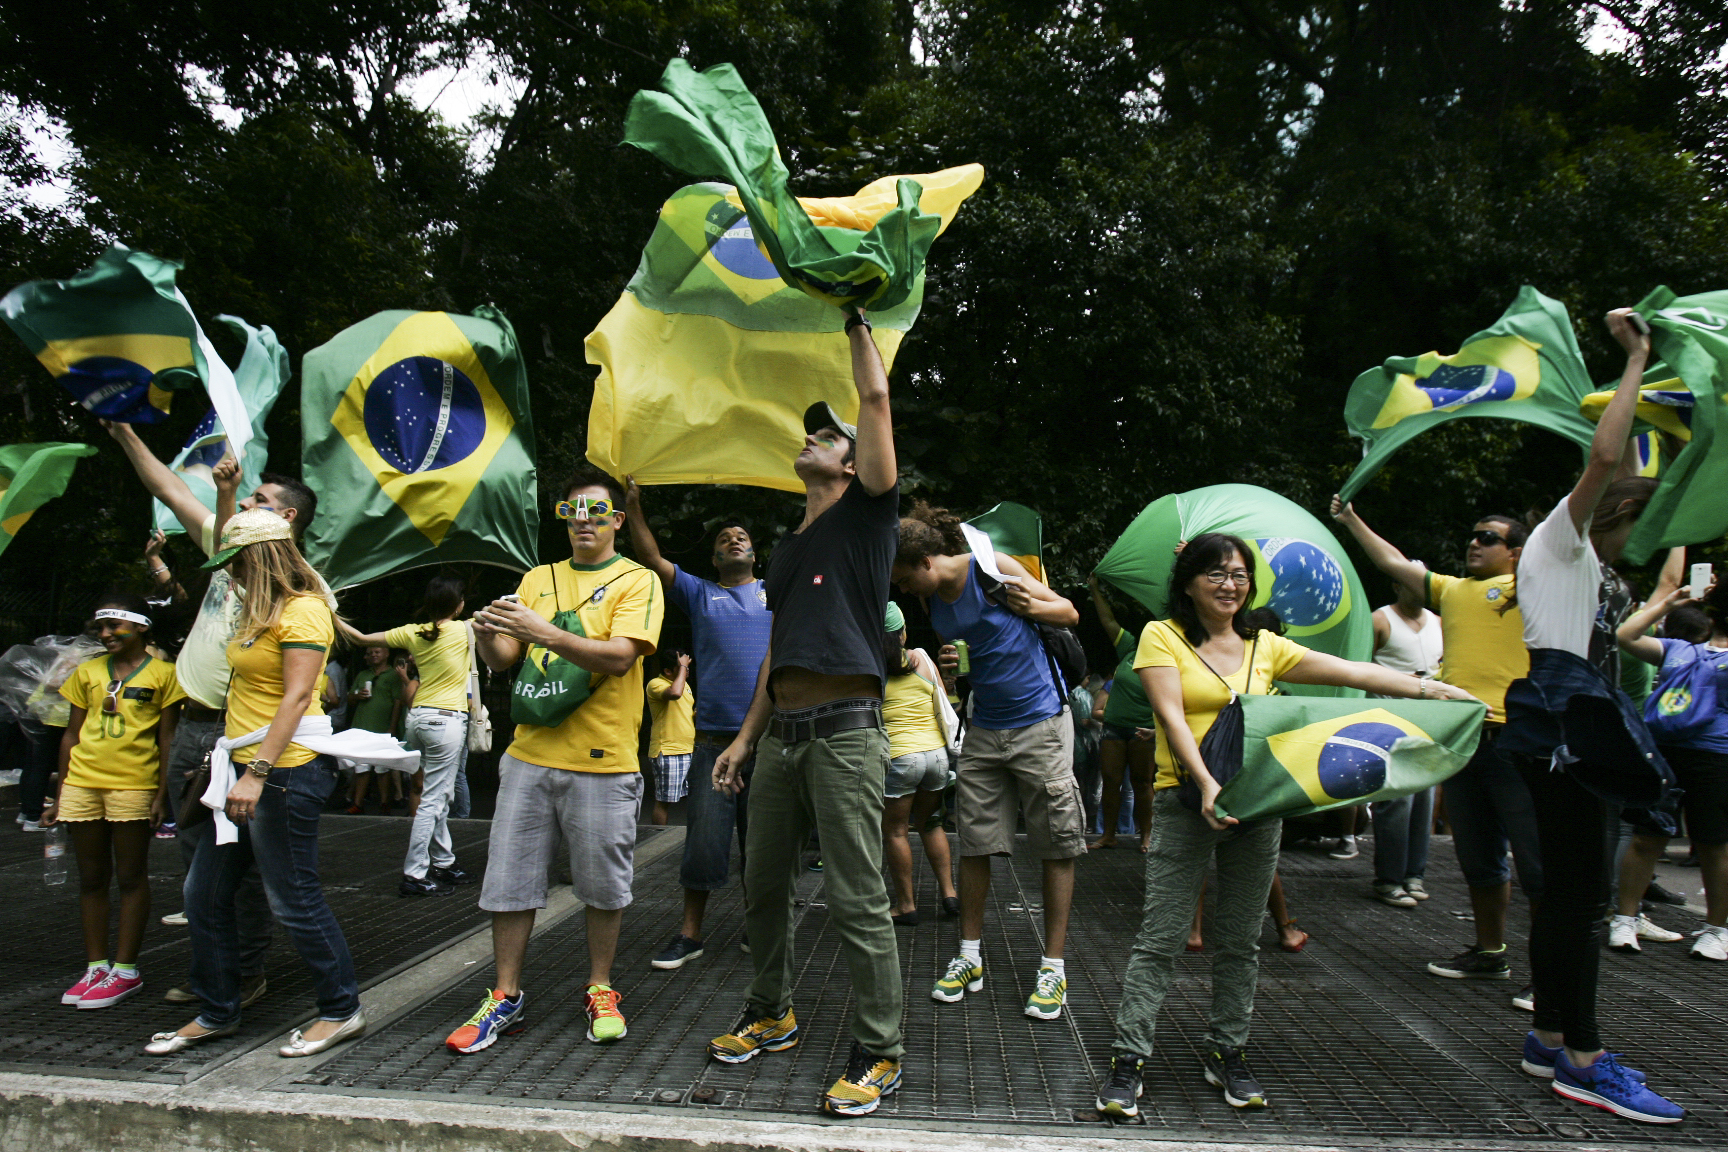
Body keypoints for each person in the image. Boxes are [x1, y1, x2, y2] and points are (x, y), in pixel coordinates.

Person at [1095, 532, 1477, 1118]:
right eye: (1217, 574)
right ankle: (1129, 1059)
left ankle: (1227, 1049)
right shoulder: (1161, 637)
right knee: (1161, 938)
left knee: (1241, 940)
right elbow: (1172, 718)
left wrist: (1431, 690)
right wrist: (1205, 786)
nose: (1230, 585)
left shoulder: (1265, 645)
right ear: (1189, 582)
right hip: (1185, 803)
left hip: (1256, 807)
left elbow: (1354, 674)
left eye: (1240, 575)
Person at [705, 309, 905, 1118]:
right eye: (815, 436)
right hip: (781, 740)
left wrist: (856, 321)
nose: (815, 441)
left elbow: (878, 401)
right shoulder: (786, 550)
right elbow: (775, 651)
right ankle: (772, 1012)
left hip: (848, 734)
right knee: (761, 888)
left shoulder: (868, 517)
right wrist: (746, 739)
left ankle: (881, 1051)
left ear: (854, 467)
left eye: (829, 438)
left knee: (858, 897)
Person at [1498, 306, 1684, 1123]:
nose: (1643, 537)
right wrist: (1637, 360)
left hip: (1572, 719)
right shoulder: (1559, 540)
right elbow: (1607, 455)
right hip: (1561, 718)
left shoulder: (1598, 569)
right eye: (1637, 519)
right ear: (1609, 511)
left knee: (1569, 898)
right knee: (1580, 901)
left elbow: (1667, 527)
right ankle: (1583, 1055)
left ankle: (1547, 1036)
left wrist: (1683, 438)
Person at [447, 470, 663, 1054]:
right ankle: (505, 994)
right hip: (528, 756)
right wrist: (489, 632)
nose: (584, 520)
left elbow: (619, 658)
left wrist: (540, 629)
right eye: (573, 511)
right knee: (509, 882)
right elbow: (505, 659)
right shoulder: (538, 577)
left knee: (604, 888)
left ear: (618, 520)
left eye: (597, 510)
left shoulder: (638, 581)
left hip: (604, 761)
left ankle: (600, 987)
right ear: (564, 520)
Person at [148, 508, 370, 1058]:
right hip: (247, 769)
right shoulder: (257, 610)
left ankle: (342, 1010)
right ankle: (217, 1011)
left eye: (236, 562)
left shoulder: (304, 611)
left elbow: (296, 697)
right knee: (203, 894)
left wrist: (257, 772)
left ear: (260, 557)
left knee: (293, 898)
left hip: (284, 772)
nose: (230, 573)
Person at [105, 426, 297, 1002]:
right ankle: (213, 972)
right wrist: (123, 432)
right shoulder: (227, 560)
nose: (245, 501)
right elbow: (167, 487)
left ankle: (242, 973)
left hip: (237, 734)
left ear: (286, 520)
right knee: (198, 866)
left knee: (239, 866)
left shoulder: (289, 583)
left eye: (258, 500)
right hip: (192, 726)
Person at [1331, 493, 1541, 1008]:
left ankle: (1552, 974)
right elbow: (1390, 562)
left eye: (1488, 538)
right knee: (1480, 858)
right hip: (1464, 737)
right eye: (1472, 535)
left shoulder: (1533, 587)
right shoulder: (1452, 592)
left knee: (1538, 866)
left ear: (1516, 552)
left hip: (1519, 740)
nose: (1474, 543)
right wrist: (1351, 517)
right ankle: (1490, 953)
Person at [891, 503, 1084, 1022]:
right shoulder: (935, 604)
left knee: (1055, 841)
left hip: (1040, 721)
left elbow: (1067, 612)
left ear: (927, 563)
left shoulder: (992, 568)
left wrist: (1032, 607)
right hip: (985, 728)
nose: (905, 592)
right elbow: (972, 647)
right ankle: (969, 956)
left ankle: (1053, 966)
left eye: (906, 580)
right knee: (975, 841)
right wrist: (954, 662)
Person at [624, 487, 774, 969]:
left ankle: (760, 929)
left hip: (769, 741)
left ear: (754, 553)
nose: (735, 540)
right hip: (712, 743)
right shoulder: (700, 593)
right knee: (703, 842)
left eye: (743, 536)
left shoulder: (777, 591)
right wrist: (632, 503)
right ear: (713, 555)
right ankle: (691, 935)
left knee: (764, 846)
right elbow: (649, 556)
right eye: (726, 538)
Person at [45, 593, 184, 1008]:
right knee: (90, 878)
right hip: (83, 785)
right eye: (100, 628)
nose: (105, 634)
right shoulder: (87, 673)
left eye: (114, 627)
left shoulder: (164, 674)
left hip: (133, 786)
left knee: (130, 876)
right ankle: (96, 966)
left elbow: (168, 738)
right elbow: (71, 734)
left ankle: (126, 970)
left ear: (141, 627)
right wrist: (59, 792)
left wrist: (163, 794)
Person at [338, 574, 477, 897]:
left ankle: (443, 862)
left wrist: (328, 609)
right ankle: (415, 874)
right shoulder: (464, 628)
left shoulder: (413, 633)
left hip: (417, 718)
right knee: (434, 799)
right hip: (446, 720)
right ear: (458, 606)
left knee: (437, 793)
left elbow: (359, 637)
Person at [1612, 595, 1726, 959]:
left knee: (1713, 843)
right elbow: (1626, 635)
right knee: (1647, 837)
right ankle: (1625, 920)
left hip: (1718, 757)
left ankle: (1717, 930)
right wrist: (1665, 605)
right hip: (1664, 753)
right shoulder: (1680, 649)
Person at [878, 602, 960, 925]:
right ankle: (950, 894)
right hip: (937, 757)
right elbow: (944, 697)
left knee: (896, 831)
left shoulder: (869, 667)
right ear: (903, 633)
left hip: (901, 758)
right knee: (932, 823)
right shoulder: (923, 658)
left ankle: (906, 905)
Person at [1366, 581, 1444, 907]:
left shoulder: (1439, 622)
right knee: (1397, 799)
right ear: (1397, 585)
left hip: (1427, 719)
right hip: (1390, 718)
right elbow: (1359, 663)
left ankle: (1415, 874)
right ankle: (1389, 879)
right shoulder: (1379, 620)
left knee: (1424, 798)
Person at [1088, 575, 1157, 850]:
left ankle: (1147, 836)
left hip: (1144, 729)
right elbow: (1108, 621)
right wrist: (1095, 589)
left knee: (1142, 784)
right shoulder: (1130, 649)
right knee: (1111, 781)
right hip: (1114, 727)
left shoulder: (1168, 656)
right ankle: (1108, 835)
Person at [344, 645, 407, 813]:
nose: (373, 655)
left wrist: (392, 728)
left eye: (377, 652)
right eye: (369, 653)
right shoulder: (363, 675)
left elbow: (398, 702)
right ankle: (358, 804)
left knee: (382, 768)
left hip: (383, 727)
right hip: (361, 727)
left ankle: (385, 803)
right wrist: (357, 696)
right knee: (361, 766)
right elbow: (349, 699)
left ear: (386, 654)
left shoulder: (394, 675)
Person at [645, 651, 695, 828]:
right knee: (664, 800)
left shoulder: (684, 685)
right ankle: (657, 836)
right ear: (668, 671)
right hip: (668, 751)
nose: (687, 670)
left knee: (695, 798)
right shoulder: (656, 684)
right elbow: (674, 693)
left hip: (688, 749)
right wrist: (683, 667)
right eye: (682, 667)